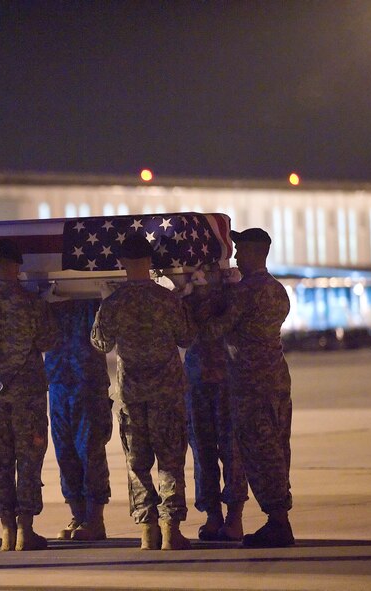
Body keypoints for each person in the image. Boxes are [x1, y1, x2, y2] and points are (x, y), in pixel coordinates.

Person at [90, 233, 195, 550]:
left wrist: (106, 303)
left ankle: (147, 530)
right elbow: (186, 337)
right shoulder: (168, 300)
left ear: (122, 263)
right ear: (150, 263)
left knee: (137, 464)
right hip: (167, 395)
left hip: (132, 397)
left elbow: (100, 343)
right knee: (170, 462)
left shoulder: (114, 303)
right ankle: (170, 530)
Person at [199, 228, 295, 548]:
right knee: (278, 449)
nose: (237, 256)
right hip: (277, 379)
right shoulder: (278, 291)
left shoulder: (245, 292)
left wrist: (197, 308)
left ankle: (277, 521)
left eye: (240, 250)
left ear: (254, 253)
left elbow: (216, 329)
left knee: (259, 450)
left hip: (251, 383)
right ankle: (280, 516)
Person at [0, 238, 60, 551]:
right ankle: (25, 529)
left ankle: (6, 531)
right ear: (18, 266)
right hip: (28, 394)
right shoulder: (32, 302)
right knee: (28, 462)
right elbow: (47, 341)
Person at [182, 265, 248, 542]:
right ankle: (212, 514)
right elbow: (183, 331)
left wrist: (213, 289)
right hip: (197, 382)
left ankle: (234, 517)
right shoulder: (188, 293)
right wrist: (187, 293)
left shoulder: (231, 291)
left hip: (226, 380)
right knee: (202, 452)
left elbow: (216, 328)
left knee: (232, 451)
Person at [43, 295, 113, 541]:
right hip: (59, 381)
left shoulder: (89, 297)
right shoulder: (46, 297)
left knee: (90, 451)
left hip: (88, 381)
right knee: (65, 452)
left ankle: (95, 518)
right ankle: (77, 513)